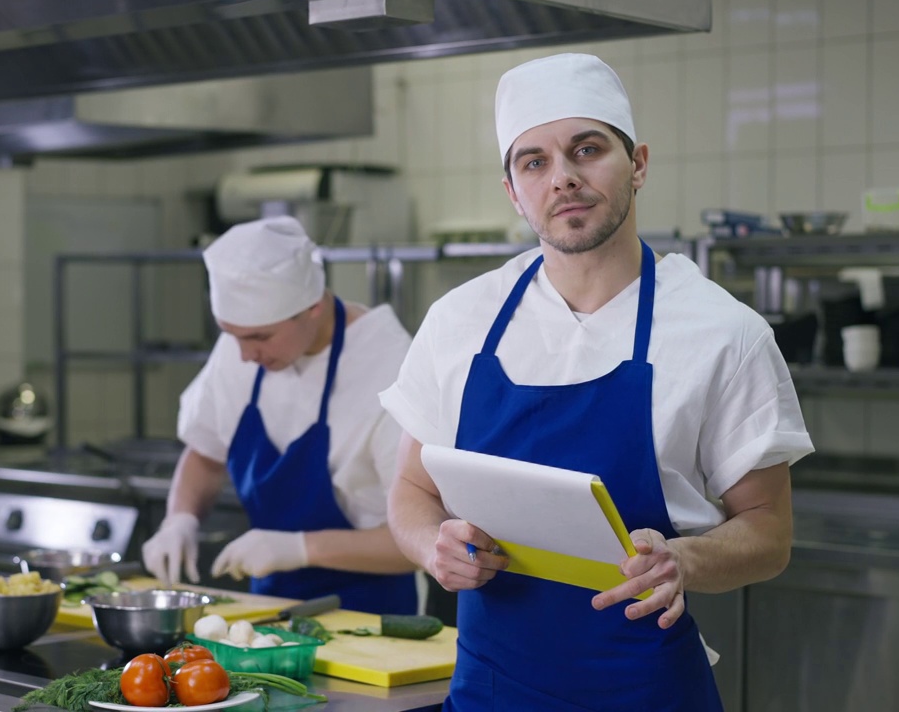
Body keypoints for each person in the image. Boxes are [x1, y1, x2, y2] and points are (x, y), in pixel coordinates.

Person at [381, 53, 814, 710]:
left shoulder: (724, 333)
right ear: (512, 189)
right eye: (535, 162)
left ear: (637, 163)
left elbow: (768, 532)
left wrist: (685, 560)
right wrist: (431, 547)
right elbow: (411, 491)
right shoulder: (461, 321)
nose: (563, 179)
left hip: (643, 693)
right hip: (491, 692)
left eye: (587, 150)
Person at [141, 215, 419, 615]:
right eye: (231, 334)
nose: (244, 355)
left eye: (259, 337)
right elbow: (205, 452)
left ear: (312, 308)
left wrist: (300, 548)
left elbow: (422, 539)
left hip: (369, 615)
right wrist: (179, 520)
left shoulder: (391, 367)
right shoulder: (244, 343)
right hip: (264, 610)